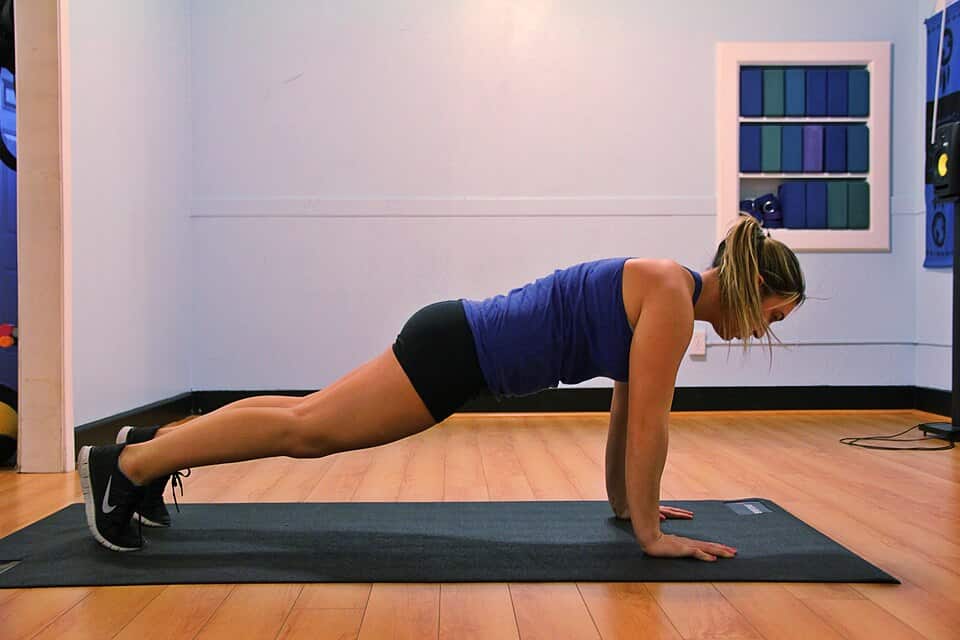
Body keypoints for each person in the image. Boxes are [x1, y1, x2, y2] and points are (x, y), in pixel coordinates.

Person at [78, 214, 805, 560]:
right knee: (308, 431)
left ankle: (151, 448)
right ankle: (127, 468)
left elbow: (625, 413)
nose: (764, 330)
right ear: (752, 288)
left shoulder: (668, 288)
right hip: (458, 353)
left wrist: (628, 509)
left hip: (455, 339)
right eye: (773, 315)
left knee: (306, 417)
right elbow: (650, 425)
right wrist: (649, 536)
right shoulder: (672, 300)